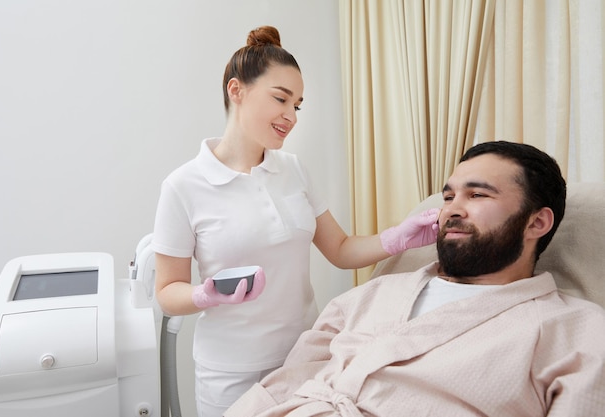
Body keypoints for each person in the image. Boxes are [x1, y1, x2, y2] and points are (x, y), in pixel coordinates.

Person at [151, 26, 439, 417]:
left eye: (297, 105)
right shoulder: (184, 186)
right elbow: (167, 290)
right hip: (232, 372)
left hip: (305, 357)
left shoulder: (293, 170)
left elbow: (339, 249)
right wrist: (207, 294)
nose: (291, 116)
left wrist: (398, 238)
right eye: (281, 99)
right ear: (237, 91)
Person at [224, 141, 605, 417]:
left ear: (537, 222)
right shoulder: (370, 295)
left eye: (477, 195)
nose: (452, 210)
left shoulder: (574, 330)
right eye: (449, 196)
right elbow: (285, 385)